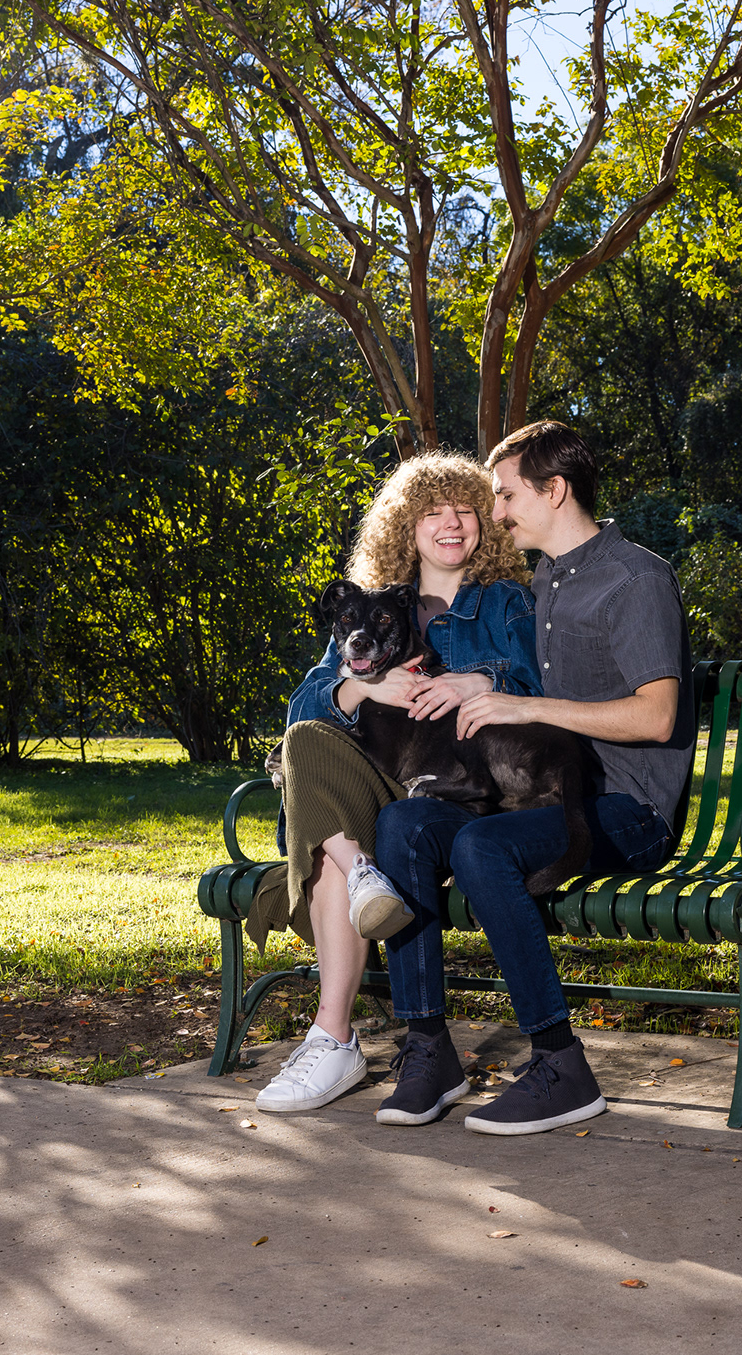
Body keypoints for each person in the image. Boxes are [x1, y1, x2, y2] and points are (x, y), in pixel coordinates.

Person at [370, 421, 695, 1133]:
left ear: (554, 490)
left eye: (506, 495)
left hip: (628, 809)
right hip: (540, 796)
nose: (496, 513)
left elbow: (658, 715)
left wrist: (524, 704)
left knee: (480, 848)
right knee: (405, 825)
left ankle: (560, 1063)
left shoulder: (635, 579)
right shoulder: (546, 578)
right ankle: (429, 1051)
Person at [250, 453, 541, 1114]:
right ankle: (360, 879)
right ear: (405, 527)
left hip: (456, 793)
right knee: (306, 739)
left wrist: (479, 679)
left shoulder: (505, 601)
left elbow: (539, 686)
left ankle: (334, 1037)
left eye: (465, 509)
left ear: (485, 521)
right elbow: (304, 708)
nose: (451, 522)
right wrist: (365, 686)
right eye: (433, 511)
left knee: (331, 850)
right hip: (378, 787)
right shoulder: (371, 609)